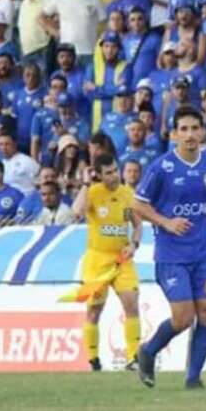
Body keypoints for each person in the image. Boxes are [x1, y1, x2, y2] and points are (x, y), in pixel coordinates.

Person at [131, 106, 206, 389]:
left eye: (194, 128)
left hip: (203, 253)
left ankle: (193, 378)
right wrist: (166, 221)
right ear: (174, 134)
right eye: (183, 129)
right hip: (172, 254)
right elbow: (137, 203)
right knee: (184, 317)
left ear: (202, 131)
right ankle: (148, 351)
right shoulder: (162, 167)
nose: (189, 135)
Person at [72, 153, 143, 371]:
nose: (114, 176)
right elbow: (77, 212)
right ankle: (93, 359)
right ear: (99, 175)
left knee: (131, 303)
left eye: (115, 170)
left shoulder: (128, 193)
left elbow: (138, 225)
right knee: (94, 310)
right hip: (97, 260)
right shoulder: (92, 193)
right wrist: (85, 183)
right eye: (109, 173)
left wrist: (134, 245)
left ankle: (133, 358)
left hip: (122, 260)